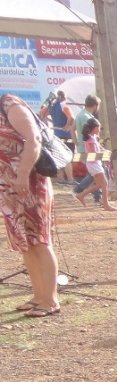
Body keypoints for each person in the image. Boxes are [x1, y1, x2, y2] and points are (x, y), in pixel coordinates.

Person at [0, 93, 61, 317]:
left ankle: (51, 299)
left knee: (39, 239)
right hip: (9, 190)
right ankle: (38, 296)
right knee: (24, 242)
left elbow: (33, 139)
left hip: (30, 184)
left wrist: (23, 173)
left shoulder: (9, 104)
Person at [73, 118, 117, 212]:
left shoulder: (92, 138)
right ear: (95, 128)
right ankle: (106, 205)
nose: (100, 129)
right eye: (99, 127)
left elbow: (99, 148)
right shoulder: (91, 139)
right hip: (94, 164)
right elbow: (94, 154)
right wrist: (105, 155)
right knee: (104, 184)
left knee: (99, 185)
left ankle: (81, 195)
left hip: (94, 164)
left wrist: (106, 151)